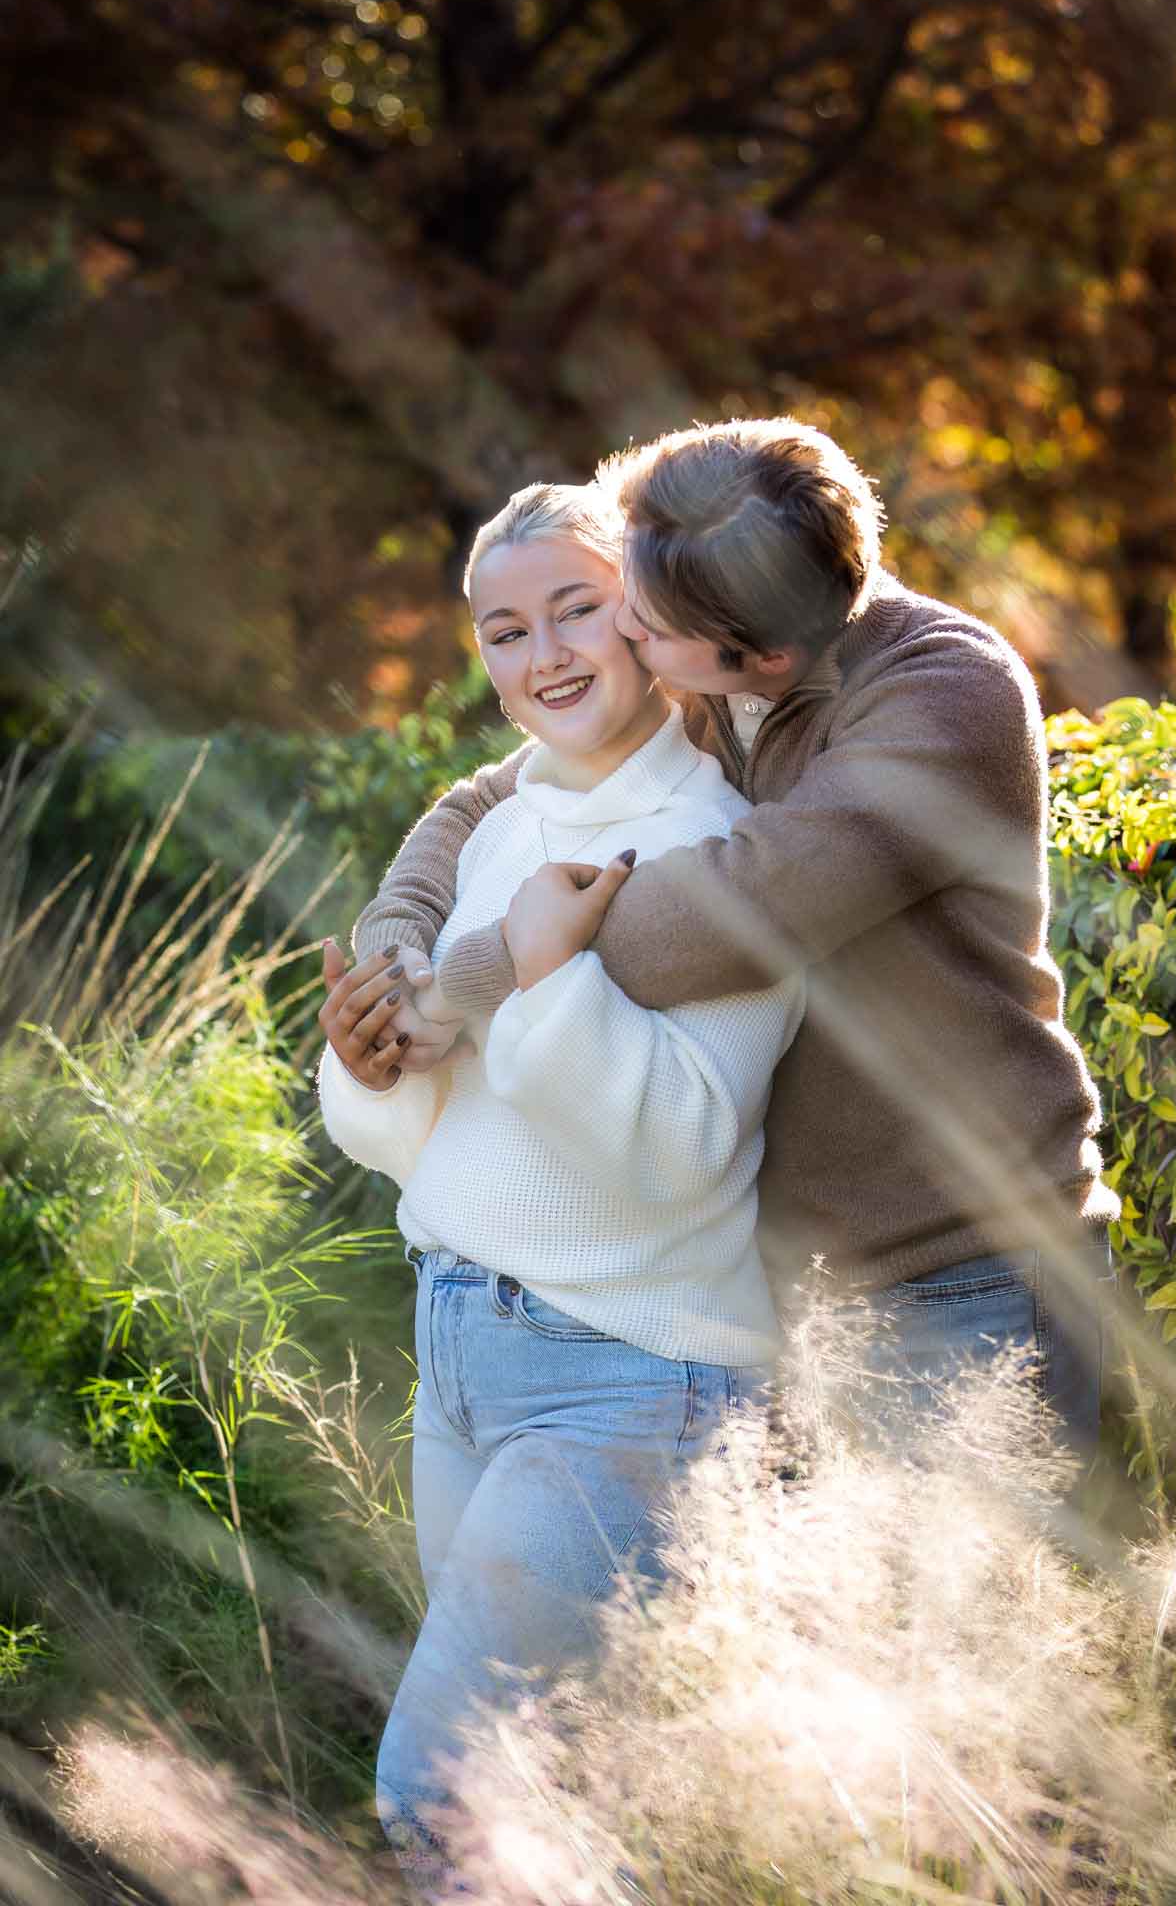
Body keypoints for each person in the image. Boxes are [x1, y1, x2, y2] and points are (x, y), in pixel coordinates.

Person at [342, 418, 1120, 1460]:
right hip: (784, 1285)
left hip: (964, 1265)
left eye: (645, 625)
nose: (623, 631)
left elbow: (737, 909)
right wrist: (398, 954)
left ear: (767, 654)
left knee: (1007, 1613)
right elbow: (481, 798)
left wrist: (479, 976)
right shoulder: (717, 665)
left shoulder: (945, 691)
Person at [316, 480, 802, 1897]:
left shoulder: (718, 842)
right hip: (458, 1351)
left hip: (626, 1375)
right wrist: (371, 1067)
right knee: (544, 1788)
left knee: (437, 1793)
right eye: (502, 629)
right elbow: (428, 1140)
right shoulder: (492, 831)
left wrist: (544, 979)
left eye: (576, 609)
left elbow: (676, 1148)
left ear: (645, 612)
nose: (543, 655)